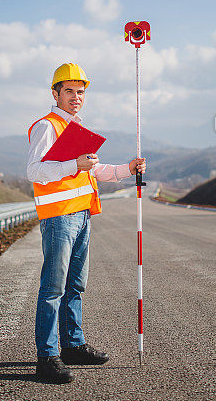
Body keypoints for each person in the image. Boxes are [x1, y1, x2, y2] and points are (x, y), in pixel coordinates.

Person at [27, 62, 146, 384]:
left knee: (75, 286)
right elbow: (35, 171)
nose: (76, 97)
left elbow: (92, 170)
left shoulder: (75, 129)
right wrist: (72, 164)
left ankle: (73, 346)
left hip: (81, 216)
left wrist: (127, 169)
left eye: (80, 92)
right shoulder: (47, 127)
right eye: (69, 92)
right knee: (53, 288)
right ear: (55, 93)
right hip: (59, 218)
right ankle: (47, 357)